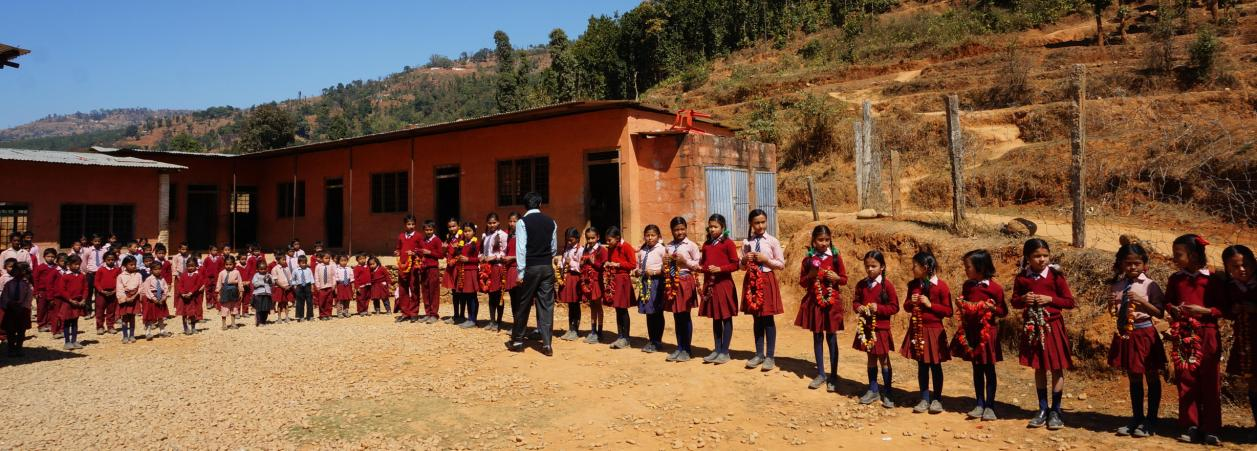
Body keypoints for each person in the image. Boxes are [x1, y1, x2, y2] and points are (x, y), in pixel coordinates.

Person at [1164, 234, 1222, 444]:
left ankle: (1212, 428)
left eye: (1178, 254)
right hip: (1184, 334)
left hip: (1207, 334)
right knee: (1186, 379)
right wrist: (1174, 309)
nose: (1174, 258)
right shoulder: (1176, 279)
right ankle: (1190, 424)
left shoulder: (1212, 280)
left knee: (1210, 380)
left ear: (1194, 255)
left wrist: (1203, 310)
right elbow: (1167, 302)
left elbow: (1222, 309)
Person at [1012, 239, 1076, 430]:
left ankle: (1056, 410)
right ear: (1028, 258)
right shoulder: (1023, 278)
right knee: (1039, 368)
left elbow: (1069, 302)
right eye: (1036, 256)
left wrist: (1050, 299)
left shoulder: (1056, 276)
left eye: (1045, 255)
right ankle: (1042, 409)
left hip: (1052, 326)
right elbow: (1014, 302)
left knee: (1056, 368)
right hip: (1033, 327)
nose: (1041, 260)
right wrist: (1024, 298)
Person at [1107, 241, 1165, 438]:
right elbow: (1116, 310)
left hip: (1145, 333)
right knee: (1133, 376)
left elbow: (1160, 312)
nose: (1132, 267)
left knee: (1150, 374)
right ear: (1121, 264)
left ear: (1144, 264)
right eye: (1128, 263)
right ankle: (1137, 417)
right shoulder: (1117, 285)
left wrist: (1141, 302)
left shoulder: (1150, 285)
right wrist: (1114, 309)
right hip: (1127, 334)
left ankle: (1151, 420)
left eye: (1137, 263)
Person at [951, 249, 1007, 421]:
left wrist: (992, 309)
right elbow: (966, 302)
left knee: (989, 369)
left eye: (968, 267)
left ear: (980, 267)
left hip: (987, 334)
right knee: (976, 369)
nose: (965, 270)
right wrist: (961, 304)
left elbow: (1003, 310)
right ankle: (979, 403)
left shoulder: (994, 288)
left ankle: (990, 406)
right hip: (972, 333)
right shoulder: (968, 286)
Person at [793, 225, 847, 390]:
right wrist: (810, 275)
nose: (824, 243)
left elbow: (844, 279)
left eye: (827, 240)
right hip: (815, 303)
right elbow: (802, 282)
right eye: (820, 240)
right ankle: (821, 374)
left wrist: (837, 277)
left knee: (832, 337)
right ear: (814, 242)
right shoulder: (808, 260)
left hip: (832, 304)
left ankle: (833, 375)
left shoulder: (836, 258)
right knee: (817, 337)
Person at [505, 192, 558, 356]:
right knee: (546, 305)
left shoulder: (523, 222)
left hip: (531, 267)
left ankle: (519, 340)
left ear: (525, 206)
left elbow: (521, 249)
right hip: (547, 267)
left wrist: (520, 272)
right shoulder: (551, 222)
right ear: (540, 204)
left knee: (524, 303)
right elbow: (554, 247)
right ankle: (547, 344)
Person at [900, 250, 952, 414]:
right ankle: (924, 398)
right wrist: (910, 302)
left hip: (934, 331)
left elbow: (949, 311)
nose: (912, 269)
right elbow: (906, 307)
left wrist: (931, 305)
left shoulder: (941, 286)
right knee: (922, 365)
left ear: (925, 267)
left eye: (914, 266)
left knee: (936, 366)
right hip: (917, 329)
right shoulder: (913, 285)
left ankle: (937, 399)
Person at [742, 209, 785, 371]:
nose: (760, 226)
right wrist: (745, 260)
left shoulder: (772, 241)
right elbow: (741, 267)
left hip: (766, 280)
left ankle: (770, 356)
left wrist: (766, 260)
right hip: (752, 281)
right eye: (756, 223)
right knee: (756, 318)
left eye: (763, 222)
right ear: (751, 224)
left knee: (768, 319)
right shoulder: (747, 243)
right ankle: (759, 354)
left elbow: (781, 264)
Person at [852, 250, 898, 405]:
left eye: (874, 266)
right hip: (866, 328)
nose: (870, 269)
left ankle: (888, 392)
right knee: (870, 358)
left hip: (881, 328)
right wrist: (858, 308)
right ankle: (873, 390)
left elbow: (894, 307)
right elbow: (856, 301)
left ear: (882, 267)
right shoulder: (862, 284)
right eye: (867, 266)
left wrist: (879, 308)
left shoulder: (887, 286)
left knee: (884, 359)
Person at [698, 214, 739, 365]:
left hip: (724, 285)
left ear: (723, 227)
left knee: (726, 317)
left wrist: (720, 269)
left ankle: (725, 351)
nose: (712, 229)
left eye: (715, 226)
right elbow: (703, 264)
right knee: (715, 318)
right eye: (710, 226)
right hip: (710, 286)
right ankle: (716, 349)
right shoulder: (707, 245)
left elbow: (735, 264)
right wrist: (700, 268)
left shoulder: (728, 244)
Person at [662, 217, 701, 362]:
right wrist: (665, 262)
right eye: (676, 229)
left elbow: (698, 265)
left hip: (685, 280)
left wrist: (684, 261)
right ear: (672, 230)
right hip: (672, 282)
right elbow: (665, 265)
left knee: (685, 316)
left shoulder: (691, 245)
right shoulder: (669, 246)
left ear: (686, 229)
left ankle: (687, 349)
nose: (680, 232)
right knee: (676, 316)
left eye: (682, 229)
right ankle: (679, 347)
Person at [634, 225, 667, 353]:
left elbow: (666, 269)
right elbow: (638, 264)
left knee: (657, 312)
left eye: (652, 235)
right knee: (649, 312)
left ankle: (658, 340)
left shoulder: (662, 250)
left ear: (658, 236)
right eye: (647, 235)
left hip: (656, 283)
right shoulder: (643, 250)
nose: (650, 238)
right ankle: (651, 339)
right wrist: (637, 271)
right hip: (645, 283)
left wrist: (653, 272)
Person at [603, 226, 637, 349]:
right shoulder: (611, 248)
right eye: (606, 240)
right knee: (618, 309)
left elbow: (633, 264)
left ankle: (626, 338)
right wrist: (607, 264)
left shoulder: (626, 247)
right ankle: (620, 336)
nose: (607, 243)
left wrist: (618, 264)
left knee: (623, 309)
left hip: (623, 280)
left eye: (609, 240)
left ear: (617, 238)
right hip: (614, 280)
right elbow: (609, 260)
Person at [578, 227, 607, 343]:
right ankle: (593, 330)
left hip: (596, 281)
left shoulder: (601, 250)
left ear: (598, 237)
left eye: (592, 238)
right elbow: (583, 265)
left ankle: (600, 331)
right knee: (592, 306)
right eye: (588, 238)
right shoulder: (586, 249)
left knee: (598, 305)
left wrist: (593, 262)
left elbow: (603, 266)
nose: (590, 240)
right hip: (588, 282)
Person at [481, 213, 510, 330]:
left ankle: (498, 321)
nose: (492, 225)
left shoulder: (502, 235)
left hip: (497, 267)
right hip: (488, 268)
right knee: (491, 295)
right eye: (489, 223)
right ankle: (491, 320)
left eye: (494, 222)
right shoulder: (486, 236)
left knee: (498, 295)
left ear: (498, 222)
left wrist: (495, 257)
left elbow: (504, 251)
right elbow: (483, 251)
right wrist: (481, 256)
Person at [452, 222, 481, 328]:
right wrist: (456, 250)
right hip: (463, 271)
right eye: (465, 231)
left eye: (469, 231)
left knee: (472, 296)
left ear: (474, 232)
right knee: (466, 295)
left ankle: (473, 319)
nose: (467, 233)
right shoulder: (462, 243)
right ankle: (469, 318)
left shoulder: (476, 243)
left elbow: (480, 258)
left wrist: (469, 259)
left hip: (471, 271)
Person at [394, 215, 423, 322]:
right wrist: (397, 252)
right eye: (408, 224)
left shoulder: (418, 236)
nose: (411, 226)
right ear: (405, 225)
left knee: (414, 288)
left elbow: (422, 250)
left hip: (414, 266)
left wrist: (415, 253)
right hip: (403, 265)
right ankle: (405, 312)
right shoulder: (401, 236)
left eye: (413, 224)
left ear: (415, 225)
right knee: (403, 289)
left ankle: (414, 312)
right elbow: (398, 248)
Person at [557, 227, 584, 340]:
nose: (569, 242)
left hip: (575, 278)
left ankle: (575, 330)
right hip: (567, 278)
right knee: (570, 304)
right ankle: (570, 328)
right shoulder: (566, 249)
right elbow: (564, 263)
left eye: (571, 240)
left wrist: (571, 262)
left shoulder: (581, 250)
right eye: (567, 240)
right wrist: (560, 263)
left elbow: (581, 267)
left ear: (577, 239)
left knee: (575, 304)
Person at [1, 262, 33, 356]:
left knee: (21, 331)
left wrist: (22, 307)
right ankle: (11, 348)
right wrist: (10, 304)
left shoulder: (27, 285)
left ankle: (19, 348)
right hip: (10, 311)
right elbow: (4, 297)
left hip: (22, 311)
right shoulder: (8, 284)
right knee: (10, 331)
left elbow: (28, 298)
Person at [58, 255, 88, 350]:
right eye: (75, 264)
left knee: (75, 322)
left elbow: (85, 288)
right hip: (68, 302)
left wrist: (83, 299)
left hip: (78, 302)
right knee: (67, 322)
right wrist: (70, 299)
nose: (77, 266)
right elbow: (62, 290)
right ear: (69, 265)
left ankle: (74, 340)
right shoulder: (65, 276)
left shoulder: (82, 276)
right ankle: (67, 341)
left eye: (78, 264)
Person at [418, 220, 443, 323]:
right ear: (424, 230)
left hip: (433, 268)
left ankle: (434, 314)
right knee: (425, 291)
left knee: (433, 291)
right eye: (426, 230)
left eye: (430, 230)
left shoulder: (437, 240)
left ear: (434, 230)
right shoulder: (423, 240)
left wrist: (430, 252)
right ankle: (427, 313)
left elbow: (441, 255)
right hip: (424, 268)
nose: (428, 232)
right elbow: (419, 251)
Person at [116, 255, 144, 344]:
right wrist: (126, 298)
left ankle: (132, 335)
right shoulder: (121, 276)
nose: (133, 266)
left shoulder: (138, 275)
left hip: (134, 298)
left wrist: (135, 296)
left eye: (134, 264)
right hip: (125, 298)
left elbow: (141, 287)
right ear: (125, 265)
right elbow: (119, 289)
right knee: (125, 318)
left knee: (132, 317)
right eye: (131, 265)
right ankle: (125, 335)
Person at [140, 262, 170, 340]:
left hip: (161, 299)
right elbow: (147, 290)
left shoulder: (162, 279)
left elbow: (165, 288)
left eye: (159, 269)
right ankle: (148, 333)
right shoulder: (149, 279)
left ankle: (162, 331)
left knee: (160, 316)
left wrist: (164, 296)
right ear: (151, 270)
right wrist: (153, 298)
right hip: (151, 300)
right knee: (149, 317)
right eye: (155, 269)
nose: (157, 271)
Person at [93, 252, 121, 335]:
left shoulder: (117, 270)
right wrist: (101, 290)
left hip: (113, 293)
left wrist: (115, 290)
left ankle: (110, 326)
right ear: (105, 260)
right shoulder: (101, 269)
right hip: (101, 293)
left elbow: (120, 281)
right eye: (108, 260)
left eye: (112, 259)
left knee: (111, 311)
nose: (110, 261)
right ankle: (100, 327)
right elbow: (96, 281)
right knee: (100, 311)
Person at [176, 257, 205, 334]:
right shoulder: (183, 274)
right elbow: (180, 285)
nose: (190, 268)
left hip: (193, 297)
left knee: (192, 314)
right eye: (188, 266)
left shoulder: (198, 275)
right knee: (184, 314)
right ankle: (185, 328)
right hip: (184, 297)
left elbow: (197, 285)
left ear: (196, 266)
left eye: (192, 266)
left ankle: (193, 327)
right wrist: (182, 293)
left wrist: (191, 293)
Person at [216, 255, 244, 330]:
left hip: (234, 290)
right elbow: (219, 283)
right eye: (226, 264)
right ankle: (224, 324)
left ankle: (233, 323)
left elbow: (240, 282)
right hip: (225, 291)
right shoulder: (221, 273)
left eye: (230, 264)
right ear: (224, 264)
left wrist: (241, 291)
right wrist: (218, 293)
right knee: (224, 307)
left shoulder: (237, 272)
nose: (228, 266)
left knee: (234, 307)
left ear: (234, 264)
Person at [270, 252, 292, 323]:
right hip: (279, 288)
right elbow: (275, 280)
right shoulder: (275, 269)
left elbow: (290, 278)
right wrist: (282, 287)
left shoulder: (287, 268)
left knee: (286, 303)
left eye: (285, 259)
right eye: (283, 260)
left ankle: (286, 317)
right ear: (278, 260)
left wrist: (290, 285)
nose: (285, 261)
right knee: (279, 303)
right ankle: (279, 318)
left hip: (287, 287)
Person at [292, 255, 314, 322]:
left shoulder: (308, 269)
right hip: (300, 287)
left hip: (308, 286)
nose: (304, 264)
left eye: (305, 262)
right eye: (302, 263)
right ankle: (300, 316)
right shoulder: (295, 270)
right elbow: (293, 279)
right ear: (299, 263)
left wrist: (312, 286)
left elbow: (311, 278)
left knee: (309, 302)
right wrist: (295, 286)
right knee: (300, 302)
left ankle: (310, 316)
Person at [251, 259, 273, 326]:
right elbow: (254, 283)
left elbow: (273, 283)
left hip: (267, 294)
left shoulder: (269, 275)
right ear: (257, 269)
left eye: (264, 269)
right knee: (259, 308)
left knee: (266, 309)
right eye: (261, 269)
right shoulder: (256, 275)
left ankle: (263, 321)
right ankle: (259, 321)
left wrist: (270, 281)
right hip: (259, 294)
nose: (263, 270)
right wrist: (263, 282)